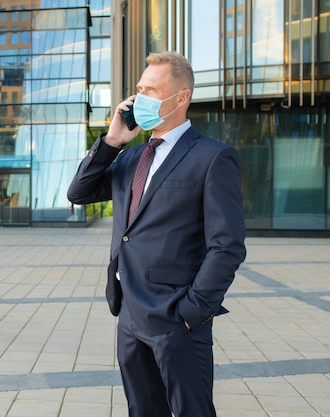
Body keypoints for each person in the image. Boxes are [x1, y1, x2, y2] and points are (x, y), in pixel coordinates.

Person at [67, 51, 246, 417]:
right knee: (143, 410)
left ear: (181, 98)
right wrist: (113, 140)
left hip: (175, 319)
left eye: (152, 90)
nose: (140, 99)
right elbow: (79, 193)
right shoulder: (131, 158)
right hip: (129, 314)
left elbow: (227, 246)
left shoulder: (213, 157)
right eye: (139, 90)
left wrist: (191, 311)